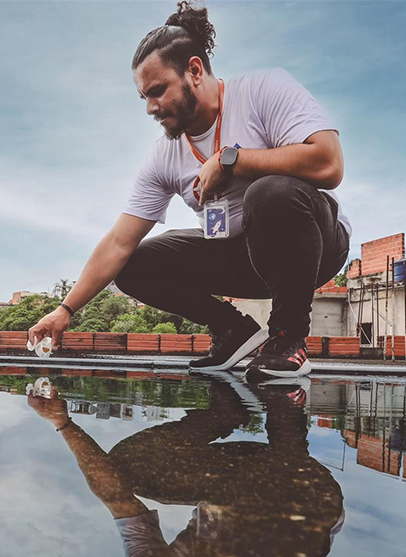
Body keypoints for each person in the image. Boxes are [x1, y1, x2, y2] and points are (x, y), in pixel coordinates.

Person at [28, 1, 351, 379]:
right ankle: (234, 330)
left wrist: (232, 160)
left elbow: (328, 163)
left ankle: (287, 340)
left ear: (194, 70)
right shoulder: (164, 156)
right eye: (143, 97)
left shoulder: (264, 91)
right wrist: (65, 310)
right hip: (240, 257)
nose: (150, 107)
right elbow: (118, 241)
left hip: (314, 246)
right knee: (131, 263)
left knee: (269, 193)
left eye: (158, 90)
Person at [27, 376, 344, 557]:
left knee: (125, 466)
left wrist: (63, 423)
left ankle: (226, 412)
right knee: (271, 542)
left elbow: (115, 496)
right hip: (306, 497)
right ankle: (285, 406)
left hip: (237, 475)